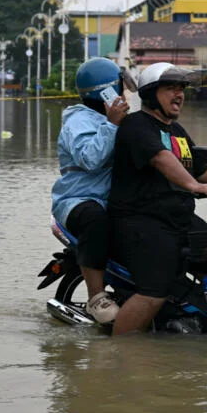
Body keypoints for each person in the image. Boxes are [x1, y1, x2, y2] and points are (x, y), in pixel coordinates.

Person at [108, 62, 207, 336]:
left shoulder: (176, 131)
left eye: (181, 89)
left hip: (179, 218)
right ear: (151, 94)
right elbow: (162, 158)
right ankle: (118, 350)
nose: (179, 94)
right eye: (171, 88)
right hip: (142, 220)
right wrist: (194, 186)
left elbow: (200, 166)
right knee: (155, 290)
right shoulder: (136, 125)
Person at [51, 57, 130, 324]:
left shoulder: (117, 120)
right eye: (120, 88)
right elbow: (90, 159)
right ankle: (96, 297)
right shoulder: (79, 121)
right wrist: (112, 124)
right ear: (107, 91)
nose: (125, 94)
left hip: (113, 200)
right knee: (94, 219)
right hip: (77, 200)